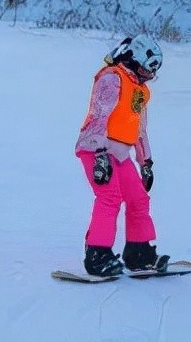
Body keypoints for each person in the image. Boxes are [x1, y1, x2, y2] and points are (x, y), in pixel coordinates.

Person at [75, 34, 169, 276]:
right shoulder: (112, 78)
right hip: (96, 149)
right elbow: (99, 117)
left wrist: (145, 162)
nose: (150, 76)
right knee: (110, 197)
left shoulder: (140, 90)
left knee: (138, 197)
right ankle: (97, 254)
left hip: (120, 153)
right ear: (135, 59)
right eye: (148, 69)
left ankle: (138, 252)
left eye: (153, 72)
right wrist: (100, 154)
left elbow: (139, 129)